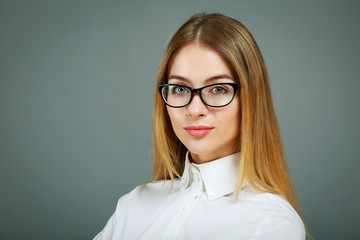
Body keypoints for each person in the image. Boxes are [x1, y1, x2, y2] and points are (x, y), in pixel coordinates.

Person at [94, 13, 308, 240]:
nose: (195, 110)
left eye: (218, 89)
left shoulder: (272, 225)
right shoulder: (132, 206)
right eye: (180, 89)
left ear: (251, 99)